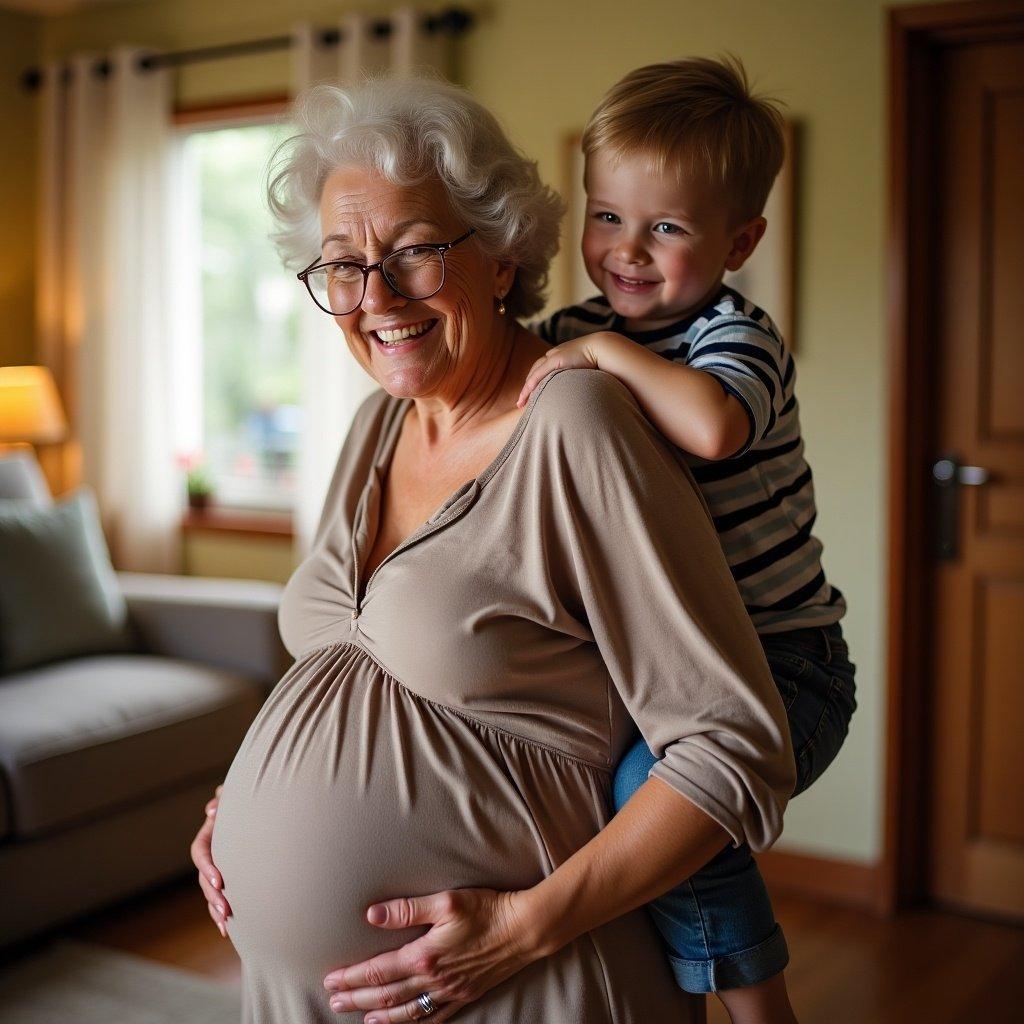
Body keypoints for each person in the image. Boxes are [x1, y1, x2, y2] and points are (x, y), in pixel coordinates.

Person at [191, 74, 796, 1023]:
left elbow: (730, 747)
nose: (375, 296)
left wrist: (524, 927)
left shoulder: (577, 421)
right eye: (342, 264)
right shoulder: (374, 430)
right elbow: (348, 680)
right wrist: (238, 813)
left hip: (528, 986)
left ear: (504, 257)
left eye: (415, 253)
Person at [515, 56, 858, 1023]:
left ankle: (761, 1008)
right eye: (608, 216)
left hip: (784, 663)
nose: (628, 249)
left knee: (656, 796)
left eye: (666, 227)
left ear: (740, 239)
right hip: (668, 666)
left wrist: (602, 355)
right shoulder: (572, 327)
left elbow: (711, 428)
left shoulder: (734, 336)